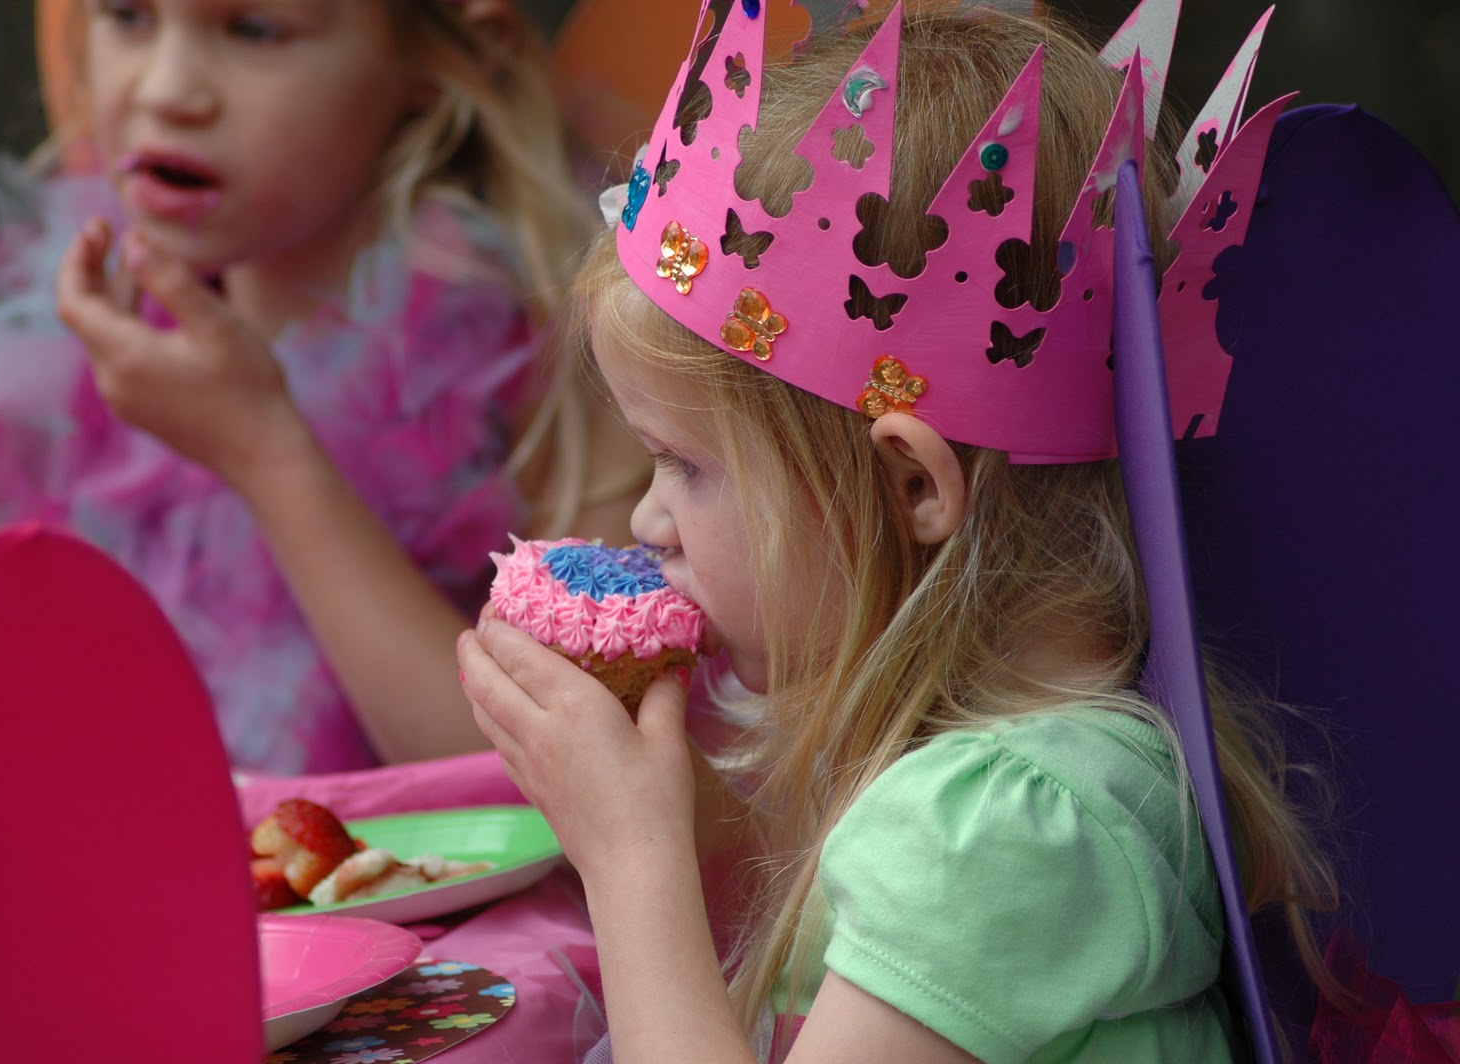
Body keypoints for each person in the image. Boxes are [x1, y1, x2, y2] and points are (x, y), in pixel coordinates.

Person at [457, 2, 1343, 1061]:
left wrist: (630, 858)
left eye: (685, 464)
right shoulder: (1009, 751)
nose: (647, 520)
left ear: (911, 485)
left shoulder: (999, 826)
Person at [0, 0, 644, 773]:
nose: (165, 90)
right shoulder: (65, 329)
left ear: (446, 55)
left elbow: (568, 776)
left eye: (254, 30)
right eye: (126, 15)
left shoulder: (573, 342)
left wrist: (268, 455)